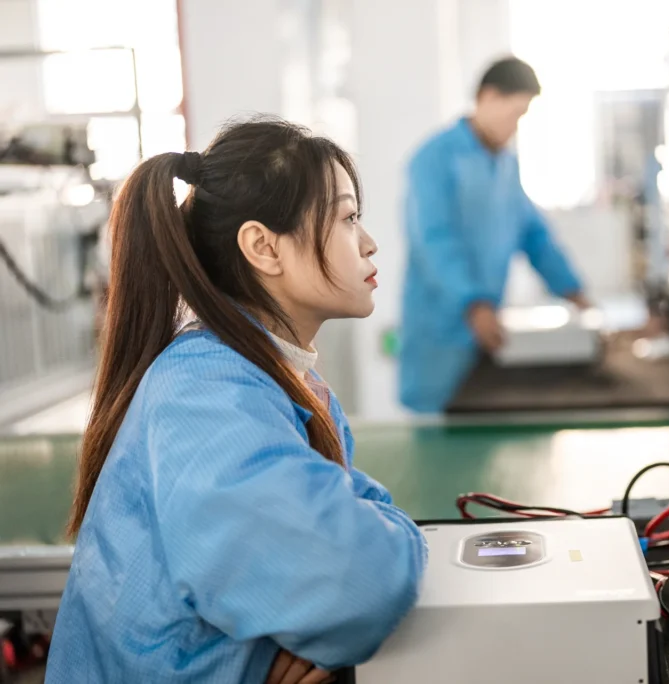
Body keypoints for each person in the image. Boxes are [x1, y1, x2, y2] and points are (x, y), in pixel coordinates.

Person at [46, 118, 427, 683]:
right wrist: (381, 558)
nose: (368, 243)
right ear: (263, 247)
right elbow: (362, 577)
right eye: (348, 218)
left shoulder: (262, 377)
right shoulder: (206, 399)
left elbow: (359, 524)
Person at [399, 56, 590, 413]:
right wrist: (474, 305)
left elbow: (534, 235)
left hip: (486, 334)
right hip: (440, 333)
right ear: (487, 97)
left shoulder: (506, 164)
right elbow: (434, 241)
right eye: (515, 113)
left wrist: (574, 291)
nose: (516, 126)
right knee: (434, 444)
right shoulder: (434, 158)